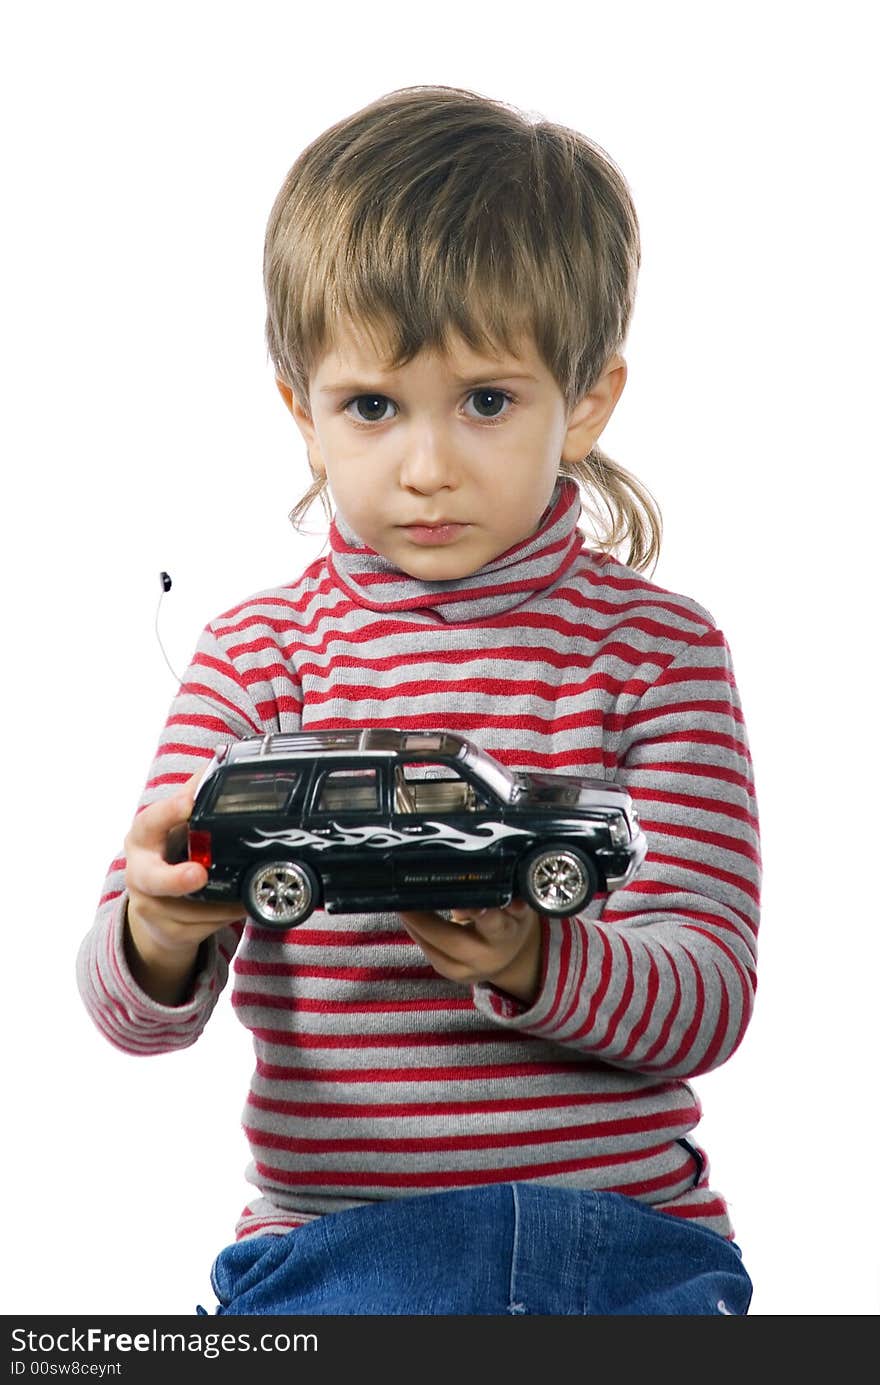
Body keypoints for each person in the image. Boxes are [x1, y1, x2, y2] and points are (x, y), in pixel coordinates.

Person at [77, 84, 761, 1317]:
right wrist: (160, 925)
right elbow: (129, 1009)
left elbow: (707, 987)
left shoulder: (658, 652)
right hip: (335, 1251)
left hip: (624, 1245)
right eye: (373, 407)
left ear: (587, 399)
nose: (428, 466)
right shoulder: (257, 659)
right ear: (303, 412)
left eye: (487, 401)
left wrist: (539, 955)